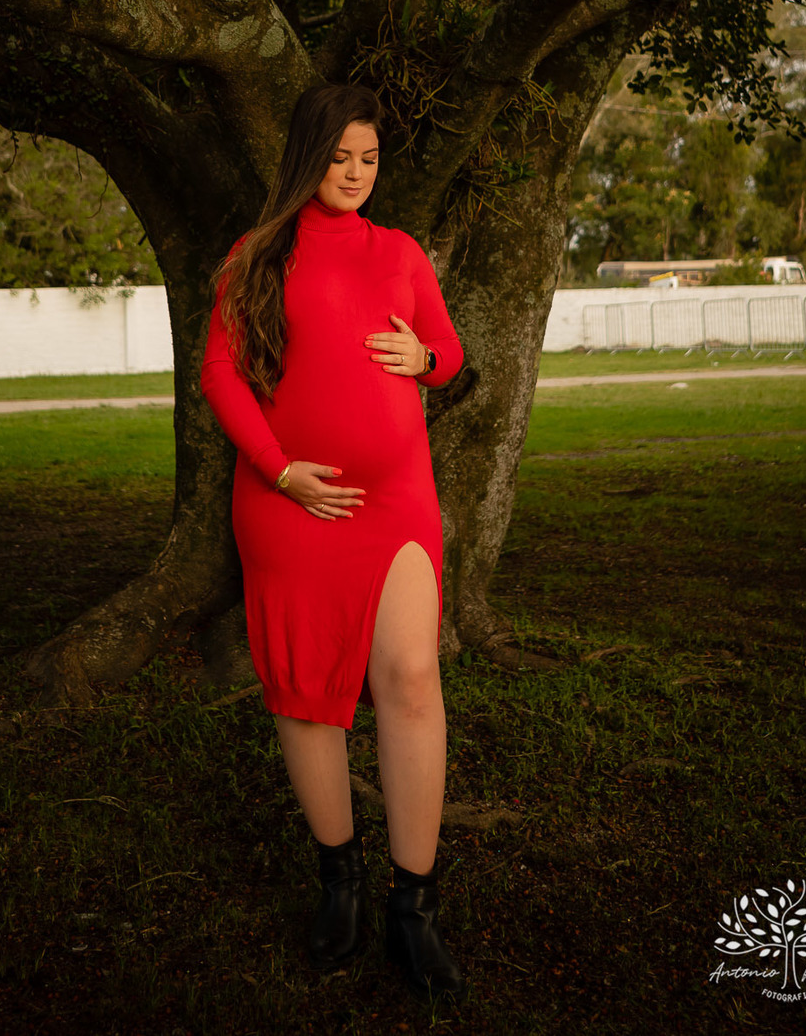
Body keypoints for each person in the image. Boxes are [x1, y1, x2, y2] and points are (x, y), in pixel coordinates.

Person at [200, 82, 467, 1004]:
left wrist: (429, 362)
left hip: (396, 501)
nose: (355, 174)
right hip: (290, 503)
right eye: (340, 157)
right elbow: (221, 373)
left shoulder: (400, 253)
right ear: (308, 156)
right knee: (308, 694)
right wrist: (281, 471)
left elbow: (451, 351)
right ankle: (338, 884)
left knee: (410, 678)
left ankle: (414, 908)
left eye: (369, 159)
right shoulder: (257, 255)